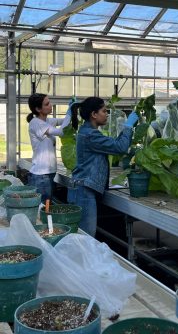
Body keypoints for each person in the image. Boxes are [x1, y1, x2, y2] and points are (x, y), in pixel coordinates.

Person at [67, 96, 138, 237]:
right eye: (104, 111)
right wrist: (128, 127)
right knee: (86, 238)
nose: (107, 114)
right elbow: (120, 147)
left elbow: (114, 145)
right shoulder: (90, 135)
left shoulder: (88, 132)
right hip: (84, 191)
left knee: (83, 236)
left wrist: (125, 131)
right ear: (94, 114)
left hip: (82, 188)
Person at [27, 93, 74, 204]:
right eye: (47, 104)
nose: (50, 105)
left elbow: (64, 122)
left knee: (46, 205)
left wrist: (72, 111)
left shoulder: (47, 121)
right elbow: (61, 131)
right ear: (38, 109)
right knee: (43, 207)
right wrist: (69, 112)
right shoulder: (36, 123)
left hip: (48, 173)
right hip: (41, 175)